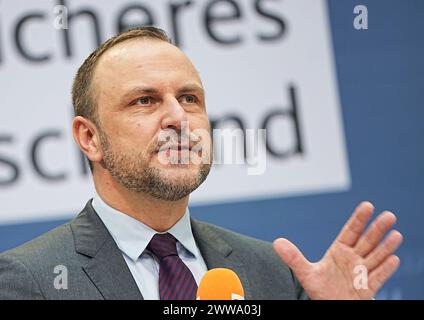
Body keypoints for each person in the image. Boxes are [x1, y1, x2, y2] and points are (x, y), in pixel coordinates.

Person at [0, 27, 403, 300]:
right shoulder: (31, 279)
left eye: (190, 98)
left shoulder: (273, 274)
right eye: (145, 100)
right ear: (90, 138)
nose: (178, 117)